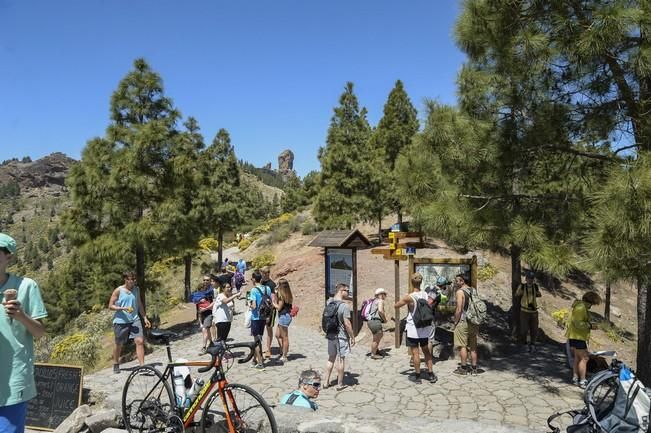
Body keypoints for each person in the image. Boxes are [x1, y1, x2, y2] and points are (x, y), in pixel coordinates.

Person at [0, 233, 48, 433]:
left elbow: (39, 332)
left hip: (13, 381)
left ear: (8, 257)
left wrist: (21, 316)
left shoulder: (26, 286)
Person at [395, 273, 437, 384]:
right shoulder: (425, 294)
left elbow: (396, 305)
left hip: (413, 329)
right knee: (426, 352)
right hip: (424, 328)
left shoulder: (409, 297)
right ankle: (431, 374)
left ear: (411, 282)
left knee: (415, 353)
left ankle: (417, 376)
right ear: (421, 282)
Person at [109, 270, 151, 374]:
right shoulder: (118, 290)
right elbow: (110, 306)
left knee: (140, 341)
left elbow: (139, 304)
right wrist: (122, 308)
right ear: (125, 280)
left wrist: (145, 317)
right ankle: (115, 363)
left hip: (134, 319)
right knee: (119, 344)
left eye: (134, 279)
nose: (132, 281)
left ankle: (142, 366)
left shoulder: (136, 289)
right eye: (130, 279)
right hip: (121, 321)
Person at [323, 283, 355, 391]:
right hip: (341, 336)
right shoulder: (344, 306)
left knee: (331, 358)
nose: (348, 293)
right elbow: (347, 323)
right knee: (341, 360)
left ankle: (326, 382)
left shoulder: (329, 302)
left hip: (331, 335)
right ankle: (340, 384)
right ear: (341, 290)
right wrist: (352, 336)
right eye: (347, 291)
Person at [567, 291, 602, 388]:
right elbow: (577, 323)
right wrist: (590, 326)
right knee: (585, 358)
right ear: (590, 301)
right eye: (593, 304)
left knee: (577, 358)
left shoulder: (581, 307)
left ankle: (575, 378)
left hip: (576, 336)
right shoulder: (581, 308)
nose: (592, 306)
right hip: (577, 336)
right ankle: (582, 380)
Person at [453, 274, 479, 376]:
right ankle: (474, 368)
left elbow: (459, 309)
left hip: (463, 321)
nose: (455, 282)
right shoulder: (473, 290)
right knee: (473, 346)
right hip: (474, 321)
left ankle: (463, 368)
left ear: (462, 281)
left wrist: (455, 321)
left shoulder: (460, 292)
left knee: (462, 345)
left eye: (457, 281)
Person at [248, 271, 271, 370]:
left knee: (256, 341)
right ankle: (254, 359)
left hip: (256, 317)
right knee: (259, 338)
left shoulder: (253, 290)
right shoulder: (268, 288)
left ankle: (260, 362)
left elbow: (253, 306)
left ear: (254, 279)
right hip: (264, 316)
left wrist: (249, 304)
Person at [515, 270, 542, 352]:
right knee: (524, 329)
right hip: (524, 311)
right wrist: (520, 291)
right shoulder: (522, 286)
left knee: (534, 329)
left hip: (534, 311)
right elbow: (517, 294)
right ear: (526, 278)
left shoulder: (535, 286)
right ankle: (525, 343)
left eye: (532, 278)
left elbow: (539, 294)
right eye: (529, 278)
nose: (530, 280)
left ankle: (533, 344)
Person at [272, 278, 294, 362]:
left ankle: (284, 356)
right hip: (286, 316)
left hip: (284, 317)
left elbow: (279, 307)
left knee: (285, 337)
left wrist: (273, 303)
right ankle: (283, 350)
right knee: (277, 335)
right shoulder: (288, 294)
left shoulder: (282, 296)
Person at [260, 266, 277, 360]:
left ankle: (268, 349)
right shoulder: (261, 282)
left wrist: (270, 311)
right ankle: (264, 347)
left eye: (264, 272)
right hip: (262, 309)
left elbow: (273, 299)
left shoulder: (271, 284)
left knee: (269, 329)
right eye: (262, 272)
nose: (263, 274)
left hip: (270, 310)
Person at [196, 275, 215, 354]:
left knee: (205, 329)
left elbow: (214, 302)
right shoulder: (200, 290)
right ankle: (211, 343)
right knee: (206, 329)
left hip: (209, 312)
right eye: (204, 280)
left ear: (210, 281)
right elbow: (197, 303)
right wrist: (199, 316)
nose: (205, 281)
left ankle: (204, 347)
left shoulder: (212, 290)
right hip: (202, 313)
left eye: (207, 280)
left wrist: (206, 308)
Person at [367, 288, 387, 360]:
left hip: (371, 321)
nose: (385, 296)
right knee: (377, 338)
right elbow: (380, 311)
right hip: (375, 321)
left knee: (377, 336)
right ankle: (373, 354)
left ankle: (376, 350)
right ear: (381, 294)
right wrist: (385, 320)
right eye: (385, 294)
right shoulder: (380, 301)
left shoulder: (373, 301)